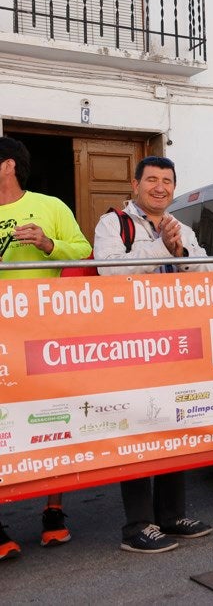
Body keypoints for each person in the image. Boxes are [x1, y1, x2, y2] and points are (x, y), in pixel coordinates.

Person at [95, 156, 213, 553]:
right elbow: (109, 274)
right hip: (131, 343)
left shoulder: (181, 227)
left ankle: (172, 515)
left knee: (174, 420)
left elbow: (211, 274)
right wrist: (157, 248)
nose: (160, 187)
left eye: (167, 181)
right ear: (135, 185)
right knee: (137, 427)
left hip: (176, 341)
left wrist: (180, 251)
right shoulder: (114, 223)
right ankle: (137, 525)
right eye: (151, 180)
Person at [0, 137, 90, 559]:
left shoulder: (50, 206)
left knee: (53, 421)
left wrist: (49, 245)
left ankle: (54, 515)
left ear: (8, 166)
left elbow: (86, 251)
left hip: (43, 336)